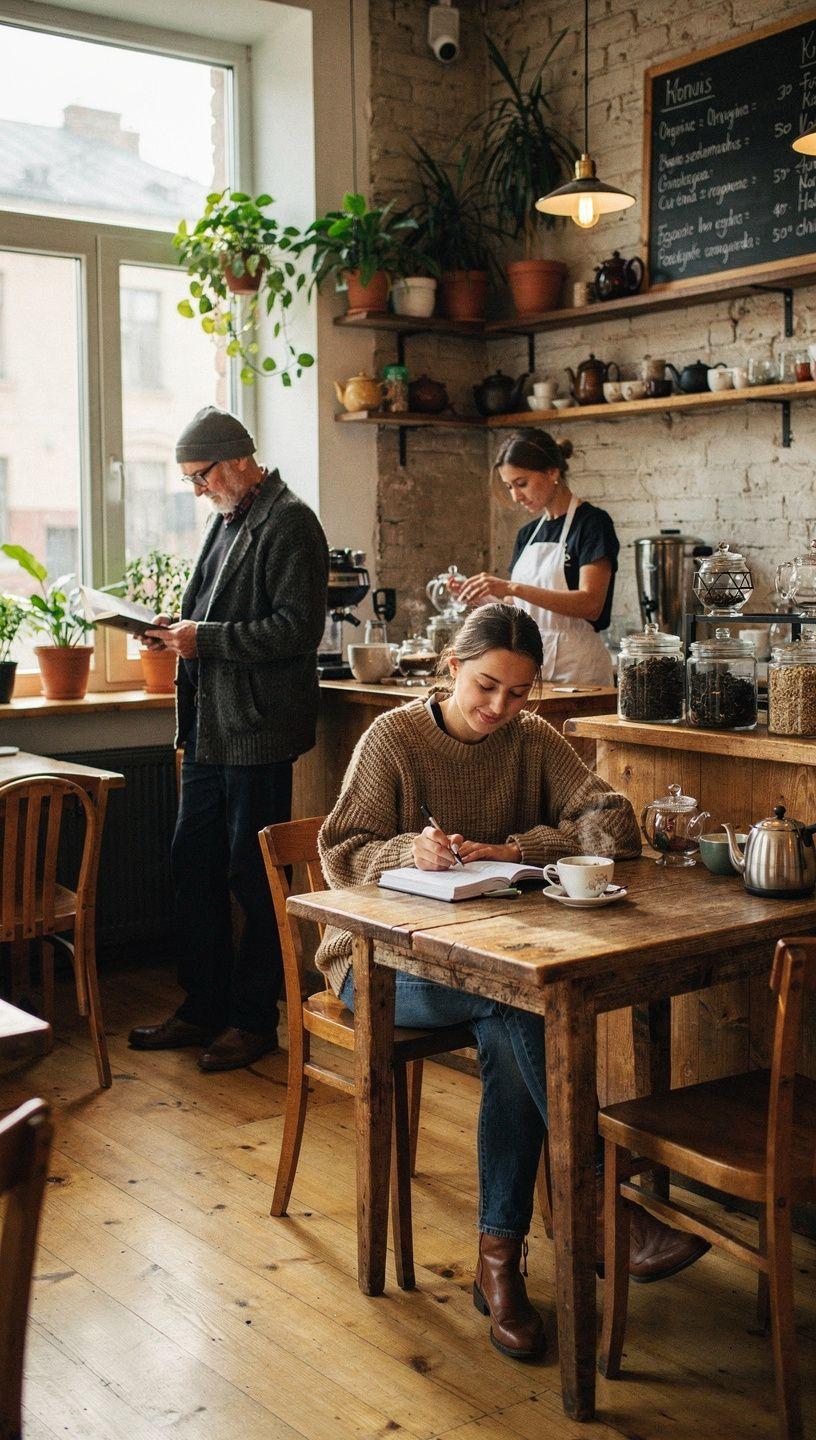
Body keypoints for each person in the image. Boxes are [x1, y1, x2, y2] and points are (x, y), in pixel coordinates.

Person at [317, 604, 707, 1360]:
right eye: (487, 686)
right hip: (381, 966)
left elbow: (611, 820)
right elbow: (341, 852)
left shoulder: (531, 741)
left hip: (494, 962)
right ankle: (597, 1208)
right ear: (452, 665)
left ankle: (500, 1268)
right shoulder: (392, 739)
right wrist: (407, 852)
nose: (500, 708)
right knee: (524, 1004)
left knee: (515, 1012)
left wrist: (512, 845)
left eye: (518, 694)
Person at [128, 406, 328, 1072]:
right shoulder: (230, 519)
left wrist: (202, 638)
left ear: (237, 459)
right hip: (211, 729)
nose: (195, 490)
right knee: (194, 865)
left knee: (251, 873)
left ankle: (253, 1020)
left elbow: (297, 631)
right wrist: (175, 629)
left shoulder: (291, 521)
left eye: (199, 475)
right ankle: (202, 1007)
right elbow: (216, 620)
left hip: (258, 732)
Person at [451, 430, 619, 686]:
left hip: (579, 670)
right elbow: (517, 608)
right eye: (509, 487)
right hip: (528, 664)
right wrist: (480, 596)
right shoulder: (528, 534)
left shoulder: (592, 523)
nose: (515, 496)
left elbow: (591, 604)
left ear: (552, 472)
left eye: (521, 483)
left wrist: (512, 587)